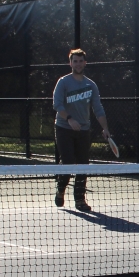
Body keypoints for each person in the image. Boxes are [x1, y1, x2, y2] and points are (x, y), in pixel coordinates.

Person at [52, 49, 110, 212]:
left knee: (83, 165)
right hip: (64, 128)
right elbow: (57, 105)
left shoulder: (91, 85)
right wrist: (69, 119)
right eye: (75, 61)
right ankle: (60, 188)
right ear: (70, 63)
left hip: (84, 131)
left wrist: (105, 128)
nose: (78, 64)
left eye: (80, 61)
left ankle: (80, 200)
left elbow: (98, 109)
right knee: (69, 163)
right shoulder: (63, 82)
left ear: (85, 63)